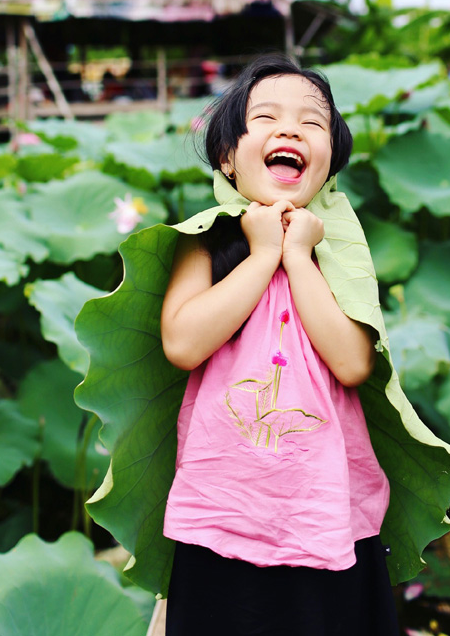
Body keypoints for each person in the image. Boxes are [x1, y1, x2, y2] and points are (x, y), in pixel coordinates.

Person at [160, 54, 400, 635]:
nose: (289, 129)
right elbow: (183, 342)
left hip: (325, 509)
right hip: (224, 509)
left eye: (312, 123)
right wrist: (261, 253)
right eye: (264, 117)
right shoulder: (205, 243)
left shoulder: (336, 253)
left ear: (329, 163)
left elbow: (351, 362)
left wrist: (296, 255)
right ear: (227, 157)